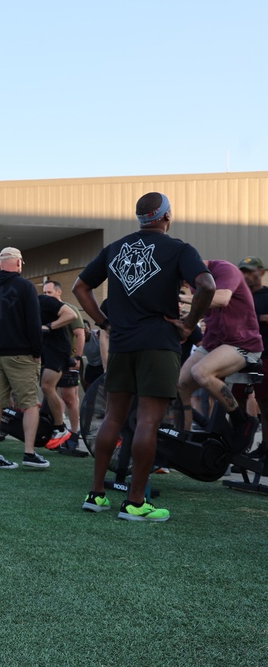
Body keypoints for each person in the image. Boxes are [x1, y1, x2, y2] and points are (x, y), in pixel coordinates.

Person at [73, 192, 214, 522]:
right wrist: (189, 324)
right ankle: (136, 503)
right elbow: (206, 285)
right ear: (166, 216)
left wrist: (105, 322)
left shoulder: (115, 248)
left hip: (122, 343)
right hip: (158, 343)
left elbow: (81, 287)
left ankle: (95, 495)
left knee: (113, 417)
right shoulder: (179, 249)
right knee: (149, 420)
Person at [0, 247, 51, 470]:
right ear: (18, 264)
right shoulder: (25, 287)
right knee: (30, 404)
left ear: (0, 264)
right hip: (21, 354)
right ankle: (29, 452)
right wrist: (37, 352)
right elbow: (33, 323)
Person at [176, 260, 262, 447]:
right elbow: (203, 309)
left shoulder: (225, 269)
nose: (185, 284)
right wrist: (185, 326)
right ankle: (182, 442)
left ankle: (241, 420)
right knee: (180, 386)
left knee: (201, 372)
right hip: (213, 343)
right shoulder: (194, 280)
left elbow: (222, 299)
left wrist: (181, 298)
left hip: (243, 343)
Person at [43, 279, 88, 444]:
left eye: (49, 292)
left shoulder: (70, 309)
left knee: (70, 396)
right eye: (45, 293)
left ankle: (75, 433)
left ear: (58, 292)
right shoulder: (46, 311)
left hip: (68, 359)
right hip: (51, 359)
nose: (47, 296)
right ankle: (59, 429)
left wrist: (77, 357)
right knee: (51, 393)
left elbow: (80, 334)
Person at [37, 289, 78, 448]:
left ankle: (60, 428)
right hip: (43, 350)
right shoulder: (24, 309)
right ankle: (54, 425)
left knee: (47, 386)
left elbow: (71, 315)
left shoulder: (46, 301)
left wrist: (49, 326)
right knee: (44, 387)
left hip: (58, 349)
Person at [236, 257, 268, 457]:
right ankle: (237, 447)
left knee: (265, 404)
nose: (246, 276)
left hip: (266, 356)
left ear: (262, 272)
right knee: (234, 402)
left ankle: (266, 448)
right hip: (239, 357)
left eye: (250, 271)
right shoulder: (238, 296)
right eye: (242, 272)